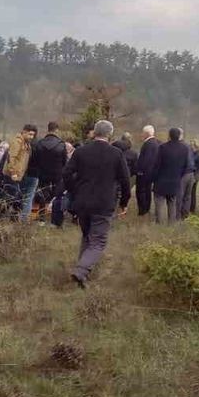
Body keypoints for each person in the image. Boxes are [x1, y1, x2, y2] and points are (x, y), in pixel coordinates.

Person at [64, 120, 131, 288]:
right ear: (109, 134)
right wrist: (124, 202)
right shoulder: (116, 154)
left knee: (87, 237)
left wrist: (74, 191)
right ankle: (81, 271)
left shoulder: (81, 151)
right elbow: (125, 180)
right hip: (104, 203)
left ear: (94, 132)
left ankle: (82, 276)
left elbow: (66, 174)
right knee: (98, 241)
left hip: (83, 202)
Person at [152, 127, 193, 224]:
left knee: (159, 203)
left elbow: (157, 165)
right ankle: (171, 224)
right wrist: (178, 175)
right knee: (172, 203)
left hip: (161, 180)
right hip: (175, 180)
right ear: (179, 136)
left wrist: (154, 178)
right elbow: (186, 166)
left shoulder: (162, 147)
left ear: (169, 135)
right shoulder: (184, 149)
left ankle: (160, 224)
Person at [30, 121, 68, 223]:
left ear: (48, 129)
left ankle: (41, 217)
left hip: (42, 173)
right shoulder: (61, 144)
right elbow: (65, 161)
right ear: (56, 130)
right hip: (57, 174)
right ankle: (56, 219)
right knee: (57, 195)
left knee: (42, 194)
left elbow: (34, 160)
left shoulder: (39, 143)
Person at [4, 124, 38, 222]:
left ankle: (12, 218)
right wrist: (13, 172)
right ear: (24, 132)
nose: (31, 137)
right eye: (30, 134)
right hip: (12, 174)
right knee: (12, 197)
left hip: (19, 175)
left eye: (33, 135)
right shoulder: (17, 142)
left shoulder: (26, 143)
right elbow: (12, 157)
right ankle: (4, 216)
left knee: (16, 197)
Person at [134, 125, 160, 217]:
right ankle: (147, 209)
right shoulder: (156, 143)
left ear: (146, 133)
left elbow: (146, 159)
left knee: (141, 192)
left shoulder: (148, 144)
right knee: (147, 191)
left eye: (142, 132)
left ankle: (143, 211)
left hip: (144, 173)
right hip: (151, 172)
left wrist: (139, 171)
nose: (141, 134)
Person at [185, 139, 199, 216]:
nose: (190, 146)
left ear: (196, 145)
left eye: (192, 145)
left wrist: (196, 178)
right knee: (188, 193)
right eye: (190, 145)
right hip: (189, 175)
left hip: (194, 176)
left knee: (192, 193)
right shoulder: (191, 154)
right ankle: (188, 208)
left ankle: (192, 209)